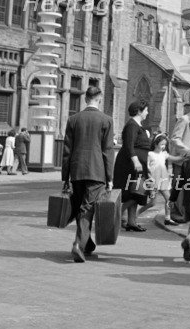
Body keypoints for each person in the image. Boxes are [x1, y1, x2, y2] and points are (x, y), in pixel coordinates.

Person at [62, 85, 114, 262]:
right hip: (96, 171)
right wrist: (110, 177)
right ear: (99, 98)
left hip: (77, 170)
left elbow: (67, 151)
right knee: (86, 208)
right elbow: (107, 150)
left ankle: (88, 243)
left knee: (80, 207)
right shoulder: (106, 120)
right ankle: (79, 244)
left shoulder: (73, 119)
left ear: (85, 99)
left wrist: (65, 177)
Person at [113, 100, 151, 232]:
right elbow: (129, 145)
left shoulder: (138, 126)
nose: (147, 112)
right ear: (139, 111)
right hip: (131, 165)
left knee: (135, 193)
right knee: (134, 193)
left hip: (138, 164)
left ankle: (131, 221)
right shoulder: (132, 125)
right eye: (146, 110)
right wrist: (136, 161)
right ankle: (115, 215)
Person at [141, 133, 187, 225]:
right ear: (155, 144)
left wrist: (185, 156)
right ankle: (136, 213)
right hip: (154, 181)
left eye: (165, 145)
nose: (163, 146)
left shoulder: (164, 154)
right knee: (152, 203)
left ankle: (167, 218)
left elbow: (175, 158)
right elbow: (146, 168)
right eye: (162, 144)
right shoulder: (150, 154)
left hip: (164, 181)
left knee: (169, 199)